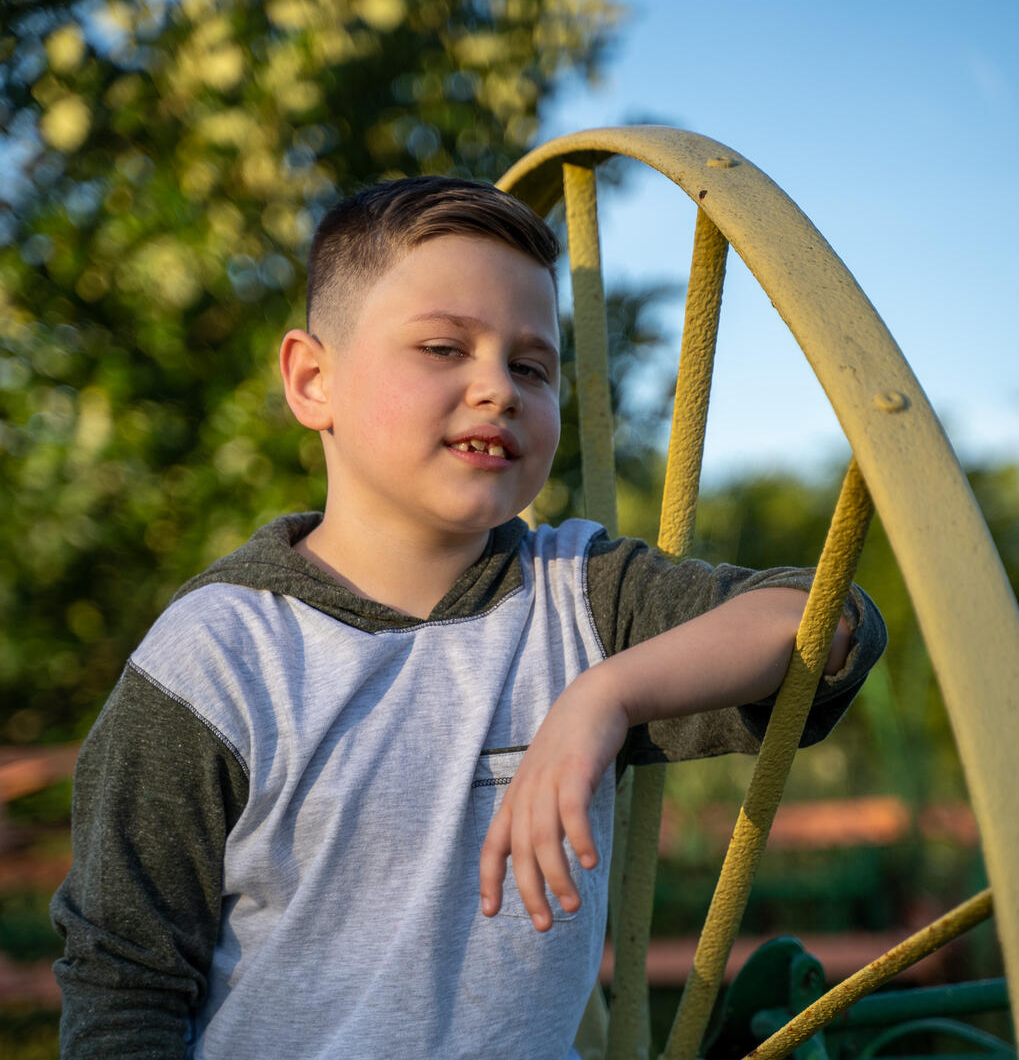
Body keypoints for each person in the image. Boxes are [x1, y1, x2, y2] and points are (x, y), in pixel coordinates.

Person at [51, 176, 885, 1059]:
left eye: (531, 366)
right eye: (444, 347)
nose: (497, 388)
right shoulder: (217, 656)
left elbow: (822, 620)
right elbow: (125, 983)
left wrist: (603, 696)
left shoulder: (581, 598)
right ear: (312, 379)